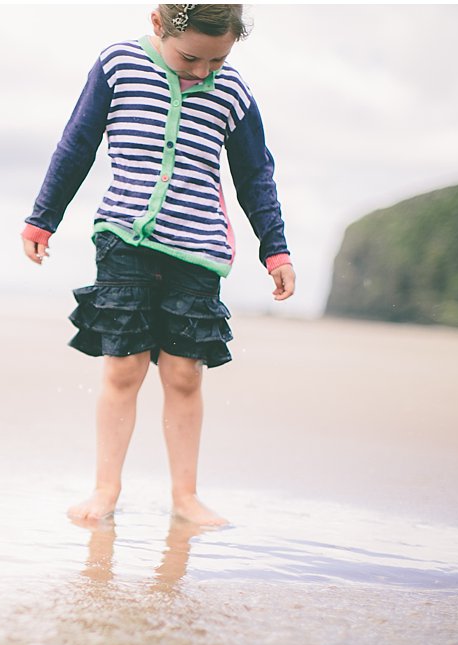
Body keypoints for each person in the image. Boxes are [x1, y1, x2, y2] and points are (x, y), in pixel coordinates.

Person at [21, 4, 294, 527]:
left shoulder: (233, 93)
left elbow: (256, 174)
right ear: (158, 25)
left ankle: (186, 497)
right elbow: (77, 144)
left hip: (199, 249)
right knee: (123, 367)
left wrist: (275, 248)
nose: (201, 73)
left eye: (216, 61)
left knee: (184, 374)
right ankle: (105, 488)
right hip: (124, 237)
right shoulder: (118, 64)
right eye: (190, 57)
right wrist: (43, 219)